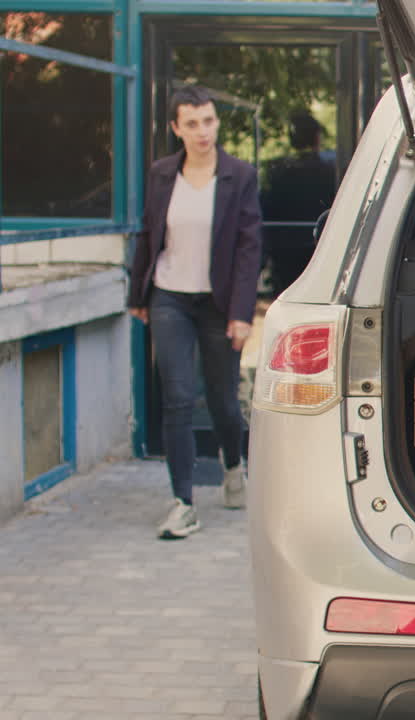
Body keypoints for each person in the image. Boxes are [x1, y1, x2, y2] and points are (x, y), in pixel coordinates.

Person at [127, 85, 262, 540]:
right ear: (176, 128)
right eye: (192, 123)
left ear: (216, 122)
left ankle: (232, 466)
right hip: (169, 298)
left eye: (208, 121)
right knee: (178, 397)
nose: (202, 131)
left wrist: (243, 313)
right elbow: (148, 234)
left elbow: (249, 248)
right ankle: (183, 502)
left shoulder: (239, 175)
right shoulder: (163, 174)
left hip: (217, 303)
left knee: (223, 401)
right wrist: (137, 296)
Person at [259, 110, 337, 295]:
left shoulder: (276, 172)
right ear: (317, 138)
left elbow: (267, 208)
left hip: (284, 250)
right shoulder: (330, 172)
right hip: (317, 249)